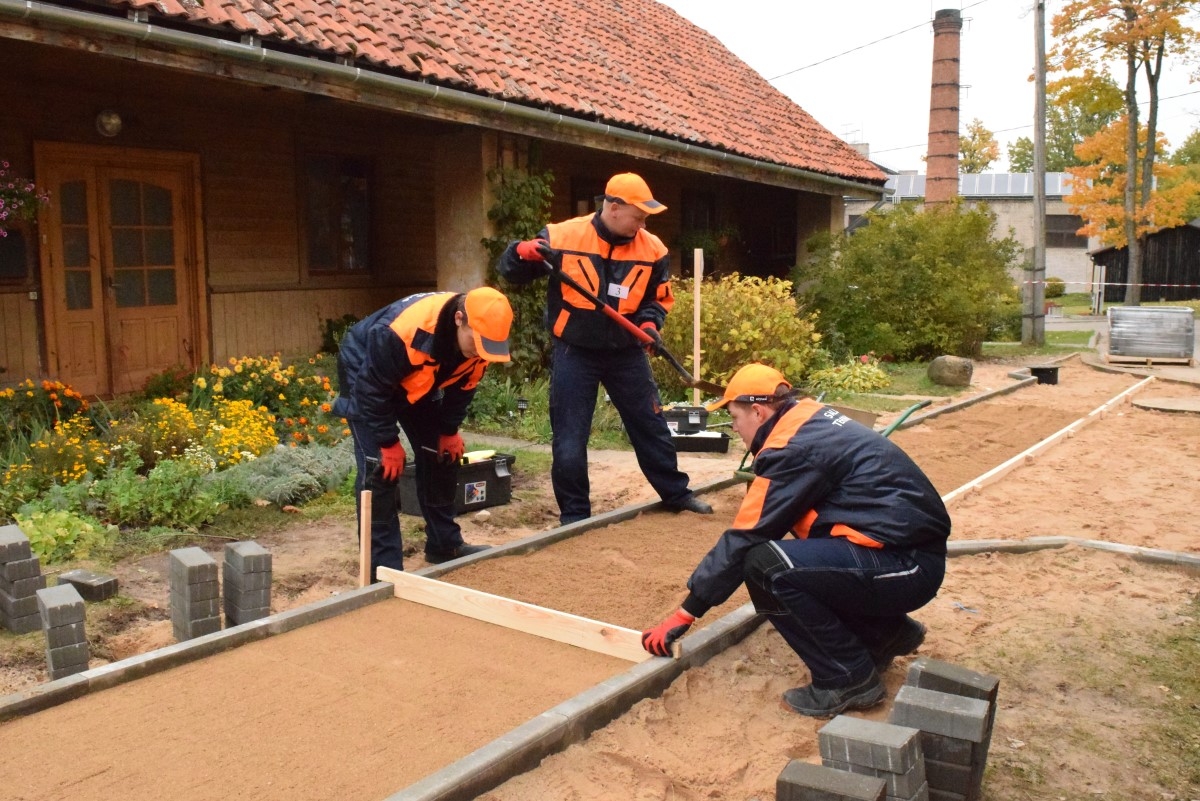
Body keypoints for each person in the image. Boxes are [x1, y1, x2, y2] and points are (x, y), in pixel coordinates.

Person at [641, 363, 950, 718]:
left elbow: (746, 535)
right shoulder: (809, 419)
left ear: (758, 411)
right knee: (801, 554)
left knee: (767, 566)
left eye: (735, 418)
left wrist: (687, 612)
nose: (736, 429)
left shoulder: (792, 448)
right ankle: (887, 635)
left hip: (905, 566)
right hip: (904, 557)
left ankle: (847, 679)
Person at [498, 172, 713, 525]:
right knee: (569, 436)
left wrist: (648, 326)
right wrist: (520, 252)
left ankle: (677, 493)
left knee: (651, 422)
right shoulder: (563, 237)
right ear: (613, 208)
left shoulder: (653, 249)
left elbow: (658, 299)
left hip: (625, 352)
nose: (643, 224)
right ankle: (575, 515)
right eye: (638, 215)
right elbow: (512, 272)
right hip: (575, 351)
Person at [332, 287, 513, 578]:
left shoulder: (481, 341)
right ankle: (384, 569)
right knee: (380, 468)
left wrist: (448, 430)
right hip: (367, 371)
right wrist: (388, 443)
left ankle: (444, 545)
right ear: (459, 319)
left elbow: (464, 388)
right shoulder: (401, 333)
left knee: (441, 454)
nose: (481, 352)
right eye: (476, 343)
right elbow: (371, 391)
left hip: (419, 377)